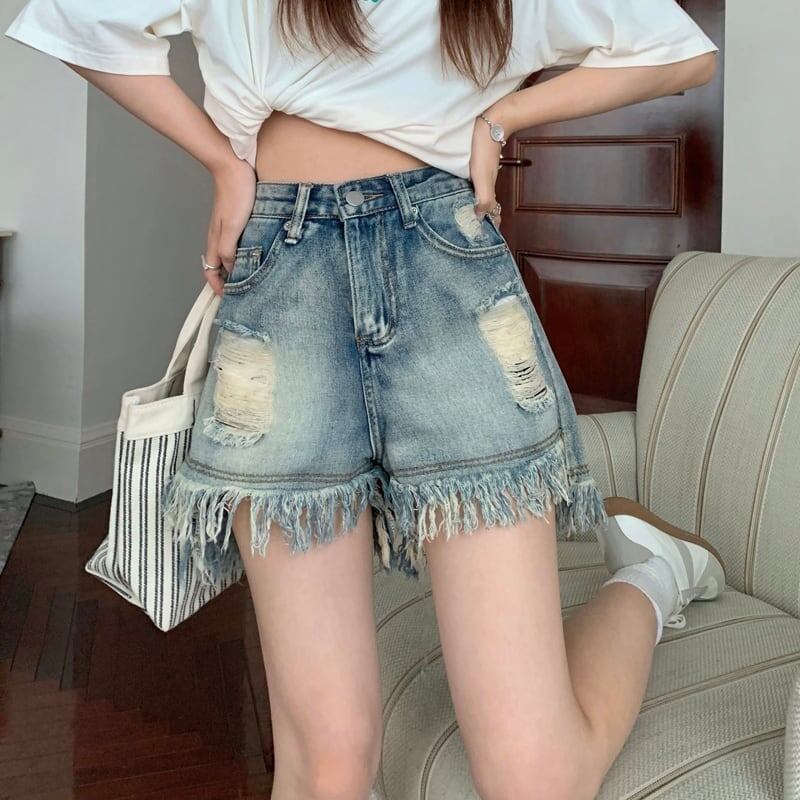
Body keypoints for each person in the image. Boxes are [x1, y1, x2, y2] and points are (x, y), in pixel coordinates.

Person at [5, 2, 723, 797]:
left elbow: (681, 54)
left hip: (448, 276)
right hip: (284, 282)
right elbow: (76, 19)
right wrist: (221, 162)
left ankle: (652, 576)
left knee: (536, 779)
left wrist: (504, 118)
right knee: (329, 766)